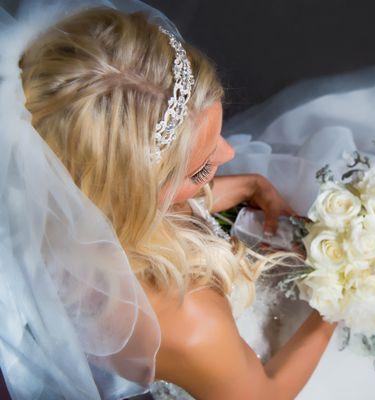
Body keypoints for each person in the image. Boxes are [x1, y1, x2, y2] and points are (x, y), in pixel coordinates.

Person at [0, 1, 335, 399]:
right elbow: (265, 394)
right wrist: (336, 305)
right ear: (128, 201)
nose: (228, 155)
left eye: (218, 131)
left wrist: (250, 186)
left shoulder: (43, 194)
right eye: (199, 172)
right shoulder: (189, 320)